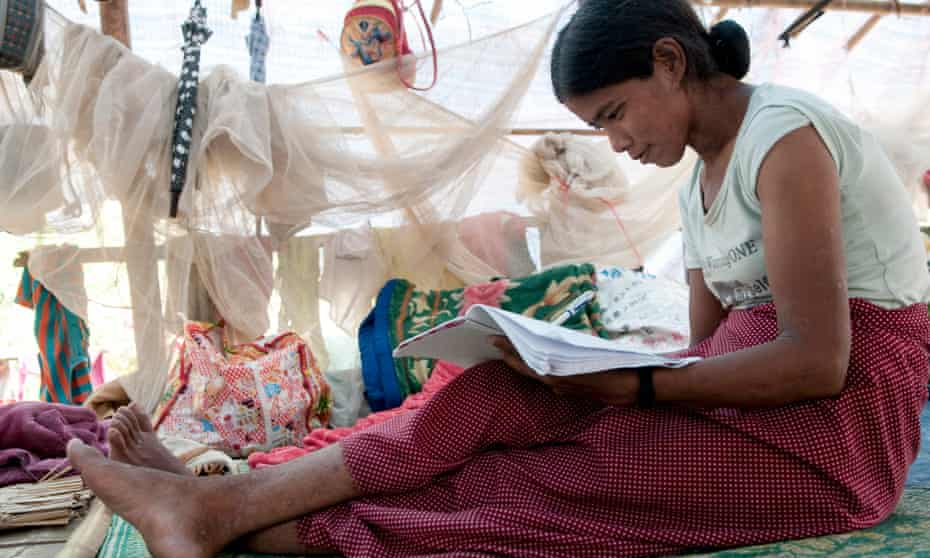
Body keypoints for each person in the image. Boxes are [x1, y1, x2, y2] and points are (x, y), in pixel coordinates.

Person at [67, 1, 930, 557]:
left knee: (539, 483)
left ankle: (229, 515)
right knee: (492, 394)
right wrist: (593, 368)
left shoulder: (784, 140)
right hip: (761, 399)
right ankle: (227, 496)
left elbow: (819, 361)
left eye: (615, 114)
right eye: (599, 127)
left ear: (671, 61)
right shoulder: (701, 180)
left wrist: (632, 384)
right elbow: (704, 351)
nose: (616, 143)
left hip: (839, 430)